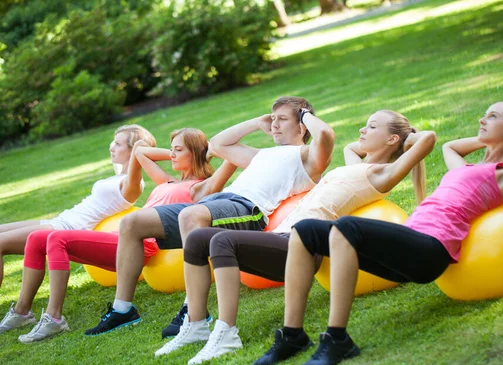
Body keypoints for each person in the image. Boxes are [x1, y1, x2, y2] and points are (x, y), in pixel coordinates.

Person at [253, 101, 503, 365]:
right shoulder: (464, 165)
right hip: (407, 243)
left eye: (492, 117)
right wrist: (492, 141)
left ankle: (337, 339)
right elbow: (450, 147)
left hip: (429, 252)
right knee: (306, 230)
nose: (482, 119)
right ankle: (292, 335)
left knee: (348, 227)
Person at [154, 110, 437, 365]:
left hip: (301, 246)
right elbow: (352, 147)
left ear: (392, 139)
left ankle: (226, 333)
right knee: (197, 238)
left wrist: (408, 141)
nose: (362, 130)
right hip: (282, 236)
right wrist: (394, 141)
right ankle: (195, 323)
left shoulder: (383, 175)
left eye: (372, 126)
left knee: (220, 241)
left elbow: (428, 138)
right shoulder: (357, 165)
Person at [84, 96, 335, 336]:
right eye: (273, 118)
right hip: (214, 202)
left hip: (247, 209)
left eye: (282, 119)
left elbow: (325, 135)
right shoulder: (262, 155)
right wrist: (257, 123)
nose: (275, 124)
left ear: (302, 127)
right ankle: (122, 310)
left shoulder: (307, 158)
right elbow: (217, 144)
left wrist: (304, 114)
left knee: (190, 216)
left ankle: (193, 311)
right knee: (132, 222)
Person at [0, 128, 237, 343]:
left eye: (178, 150)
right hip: (122, 238)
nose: (172, 155)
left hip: (141, 244)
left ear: (194, 152)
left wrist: (204, 152)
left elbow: (230, 159)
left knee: (56, 238)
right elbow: (140, 152)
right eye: (171, 149)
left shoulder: (200, 187)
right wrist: (176, 151)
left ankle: (54, 318)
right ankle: (22, 312)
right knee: (36, 238)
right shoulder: (167, 181)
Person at [0, 125, 156, 288]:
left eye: (118, 144)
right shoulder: (120, 175)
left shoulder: (133, 184)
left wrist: (141, 148)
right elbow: (126, 164)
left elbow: (136, 165)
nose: (112, 147)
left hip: (66, 228)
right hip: (59, 220)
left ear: (133, 151)